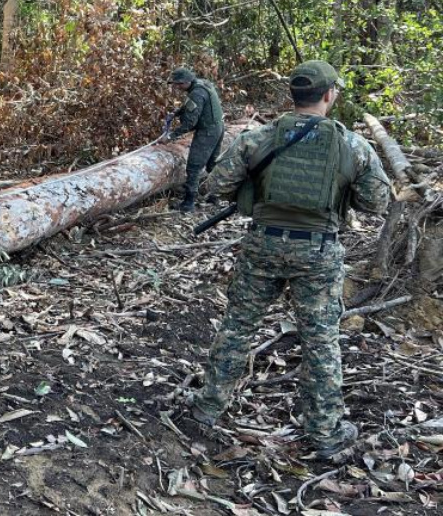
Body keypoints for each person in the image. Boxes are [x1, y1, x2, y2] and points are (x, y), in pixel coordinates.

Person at [188, 60, 391, 461]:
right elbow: (377, 202)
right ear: (330, 95)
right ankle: (325, 431)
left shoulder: (258, 138)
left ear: (292, 95)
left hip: (263, 244)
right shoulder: (351, 145)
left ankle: (206, 408)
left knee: (237, 326)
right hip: (317, 251)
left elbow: (216, 186)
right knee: (320, 340)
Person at [162, 68, 225, 212]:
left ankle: (188, 203)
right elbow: (194, 107)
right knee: (211, 164)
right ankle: (215, 196)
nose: (177, 87)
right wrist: (178, 112)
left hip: (208, 131)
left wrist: (170, 136)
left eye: (179, 84)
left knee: (194, 166)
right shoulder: (203, 84)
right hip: (219, 127)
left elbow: (190, 123)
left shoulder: (196, 94)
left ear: (187, 82)